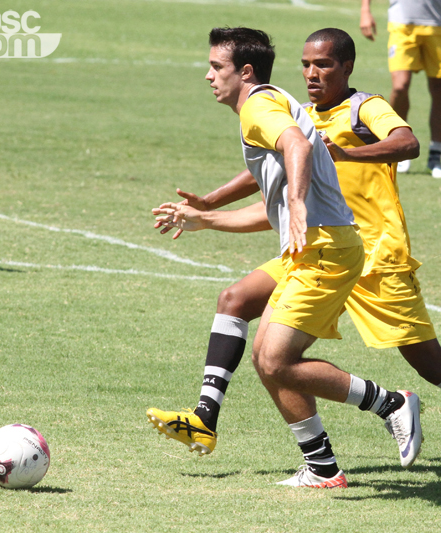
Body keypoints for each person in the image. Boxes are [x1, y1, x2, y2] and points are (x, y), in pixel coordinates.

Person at [149, 28, 441, 481]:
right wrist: (211, 203)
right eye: (305, 65)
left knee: (430, 364)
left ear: (347, 67)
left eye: (323, 65)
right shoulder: (294, 114)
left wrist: (349, 153)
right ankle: (243, 432)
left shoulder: (364, 108)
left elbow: (408, 143)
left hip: (376, 256)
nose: (312, 73)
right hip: (317, 248)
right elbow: (269, 188)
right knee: (237, 303)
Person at [147, 26, 423, 489]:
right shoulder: (266, 106)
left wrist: (297, 202)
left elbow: (296, 146)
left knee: (277, 360)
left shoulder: (259, 105)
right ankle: (319, 467)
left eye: (217, 67)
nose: (209, 76)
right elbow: (270, 205)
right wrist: (208, 216)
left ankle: (392, 404)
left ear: (246, 72)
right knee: (253, 336)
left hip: (327, 251)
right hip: (309, 249)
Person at [359, 0, 441, 177]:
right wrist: (365, 10)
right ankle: (397, 147)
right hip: (402, 23)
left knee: (439, 88)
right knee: (400, 86)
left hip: (437, 23)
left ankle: (435, 158)